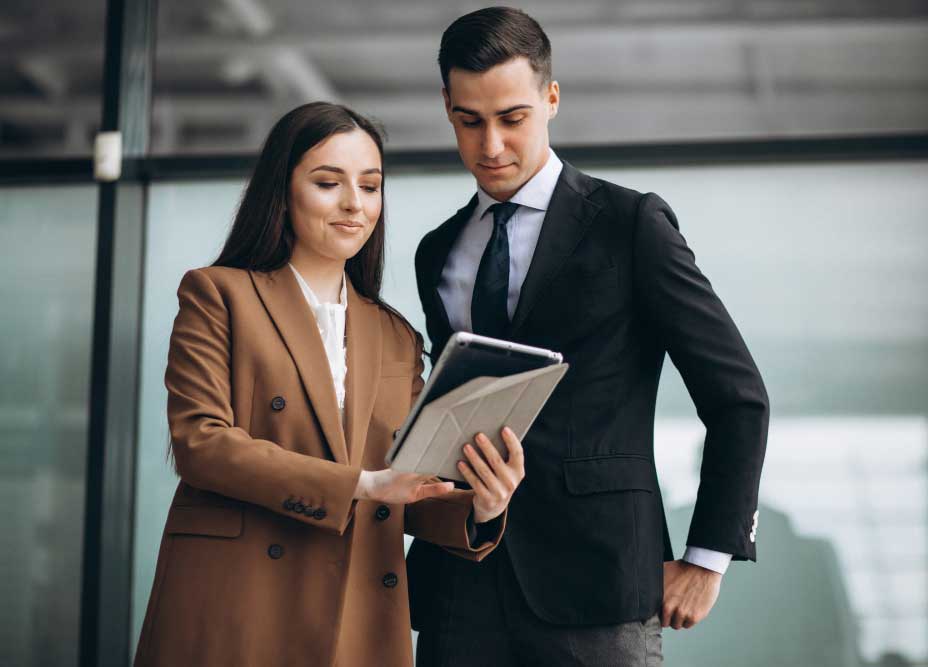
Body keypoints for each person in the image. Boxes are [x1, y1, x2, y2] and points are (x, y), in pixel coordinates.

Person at [407, 7, 769, 666]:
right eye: (469, 120)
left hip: (597, 586)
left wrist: (707, 557)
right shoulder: (437, 252)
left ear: (551, 98)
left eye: (511, 118)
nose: (490, 145)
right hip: (459, 583)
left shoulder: (632, 225)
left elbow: (738, 396)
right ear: (446, 107)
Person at [133, 101, 525, 667]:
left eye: (370, 187)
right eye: (327, 183)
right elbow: (201, 445)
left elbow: (407, 490)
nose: (353, 205)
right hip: (240, 602)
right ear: (282, 191)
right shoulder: (219, 295)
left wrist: (483, 506)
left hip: (356, 613)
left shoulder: (394, 335)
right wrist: (363, 485)